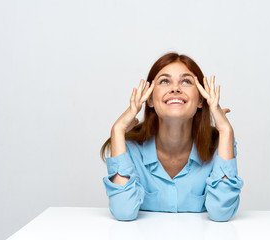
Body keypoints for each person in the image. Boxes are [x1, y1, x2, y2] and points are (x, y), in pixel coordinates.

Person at [100, 52, 243, 222]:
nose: (175, 88)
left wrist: (226, 131)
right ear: (150, 99)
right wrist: (118, 130)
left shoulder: (221, 145)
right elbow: (123, 211)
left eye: (186, 81)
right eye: (165, 81)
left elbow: (221, 213)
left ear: (200, 100)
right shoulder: (129, 147)